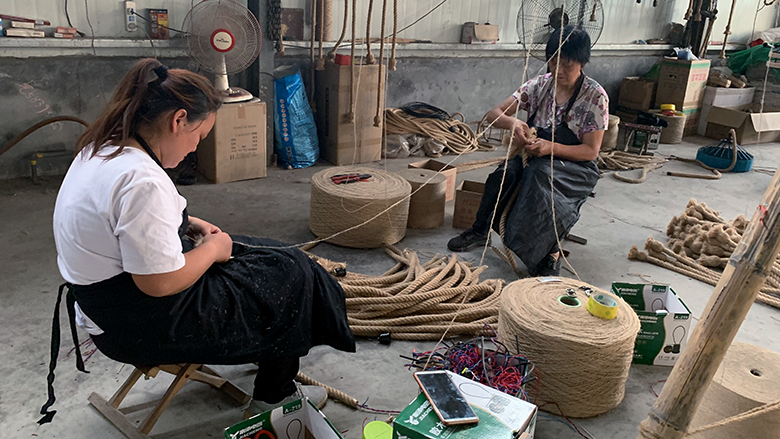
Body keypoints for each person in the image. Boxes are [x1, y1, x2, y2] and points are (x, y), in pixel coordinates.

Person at [41, 59, 355, 424]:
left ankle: (269, 354)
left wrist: (188, 224)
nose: (194, 149)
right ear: (178, 121)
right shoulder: (142, 181)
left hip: (102, 306)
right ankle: (274, 394)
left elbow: (128, 225)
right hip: (138, 323)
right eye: (199, 137)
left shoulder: (100, 150)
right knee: (293, 274)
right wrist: (212, 249)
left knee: (274, 253)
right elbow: (158, 282)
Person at [447, 26, 608, 277]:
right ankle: (480, 230)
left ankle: (550, 253)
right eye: (554, 62)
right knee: (504, 175)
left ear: (583, 63)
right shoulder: (540, 85)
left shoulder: (595, 97)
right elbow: (493, 114)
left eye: (567, 64)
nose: (558, 70)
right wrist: (513, 123)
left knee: (540, 180)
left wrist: (550, 147)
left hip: (574, 167)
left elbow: (590, 151)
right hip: (534, 157)